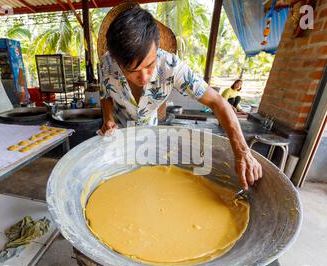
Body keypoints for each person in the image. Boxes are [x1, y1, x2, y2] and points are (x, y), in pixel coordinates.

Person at [98, 4, 262, 190]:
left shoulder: (171, 66)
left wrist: (242, 151)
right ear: (117, 61)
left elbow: (217, 102)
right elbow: (105, 95)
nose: (144, 77)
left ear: (157, 47)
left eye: (149, 65)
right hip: (118, 136)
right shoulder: (106, 65)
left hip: (149, 135)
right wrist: (108, 118)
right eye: (132, 70)